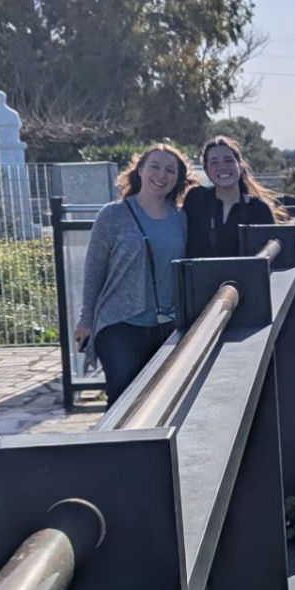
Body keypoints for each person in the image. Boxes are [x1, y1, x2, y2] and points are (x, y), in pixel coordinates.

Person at [74, 144, 196, 404]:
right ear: (140, 170)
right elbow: (94, 270)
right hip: (120, 325)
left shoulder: (182, 219)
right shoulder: (112, 215)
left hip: (167, 326)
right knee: (123, 400)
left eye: (170, 170)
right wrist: (86, 320)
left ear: (178, 178)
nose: (161, 175)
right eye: (155, 166)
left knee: (159, 402)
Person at [186, 134, 293, 259]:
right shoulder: (196, 199)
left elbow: (268, 256)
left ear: (240, 165)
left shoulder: (258, 209)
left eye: (228, 160)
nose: (222, 167)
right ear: (206, 170)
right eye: (214, 162)